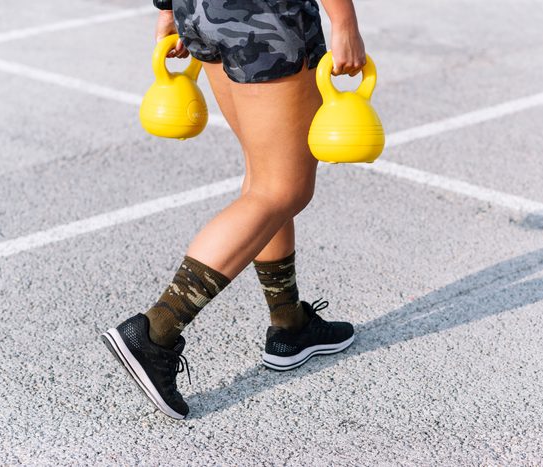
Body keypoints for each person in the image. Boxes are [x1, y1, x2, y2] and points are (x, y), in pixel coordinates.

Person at [102, 0, 366, 420]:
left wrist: (168, 9)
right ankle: (155, 331)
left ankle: (290, 325)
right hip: (266, 17)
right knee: (282, 188)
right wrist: (344, 18)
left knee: (263, 174)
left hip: (204, 12)